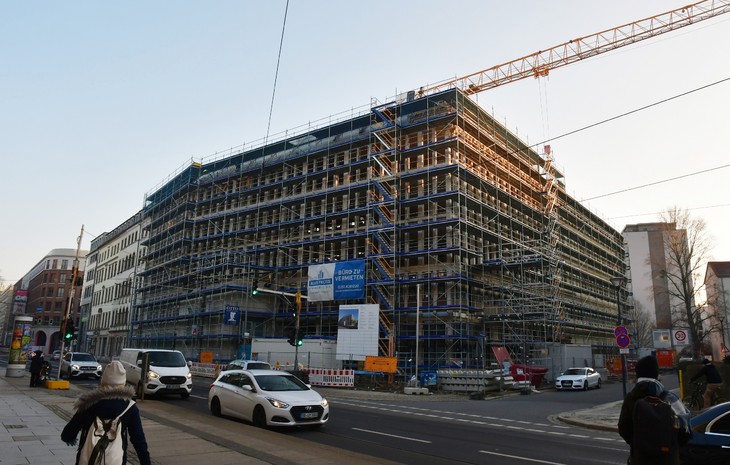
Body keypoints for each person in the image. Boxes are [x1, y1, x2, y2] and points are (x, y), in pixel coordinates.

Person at [61, 361, 151, 465]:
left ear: (103, 381)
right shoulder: (130, 408)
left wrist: (70, 439)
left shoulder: (88, 404)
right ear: (123, 383)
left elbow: (67, 435)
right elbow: (139, 441)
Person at [618, 355, 689, 465]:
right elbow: (685, 429)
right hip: (667, 459)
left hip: (641, 458)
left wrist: (637, 443)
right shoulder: (669, 397)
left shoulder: (630, 398)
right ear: (656, 373)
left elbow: (623, 428)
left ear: (638, 374)